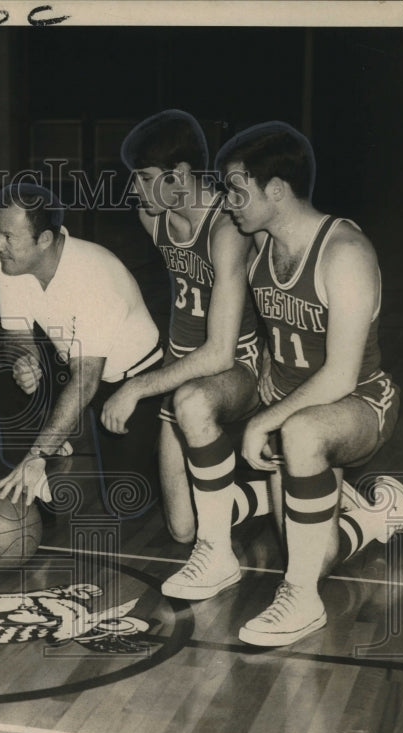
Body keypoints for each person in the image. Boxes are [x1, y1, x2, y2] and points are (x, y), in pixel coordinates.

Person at [210, 121, 403, 646]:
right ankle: (380, 516)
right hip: (296, 406)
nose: (227, 201)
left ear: (276, 190)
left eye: (235, 188)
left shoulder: (345, 253)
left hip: (359, 402)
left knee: (299, 434)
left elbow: (342, 374)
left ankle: (300, 603)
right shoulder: (257, 243)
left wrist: (264, 420)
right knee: (309, 554)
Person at [102, 110, 274, 594]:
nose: (135, 189)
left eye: (145, 178)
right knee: (181, 528)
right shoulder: (151, 217)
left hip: (234, 368)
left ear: (179, 176)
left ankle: (219, 557)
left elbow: (220, 352)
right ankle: (276, 496)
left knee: (194, 400)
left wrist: (136, 386)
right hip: (182, 371)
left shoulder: (227, 230)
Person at [0, 183, 164, 514]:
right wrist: (24, 361)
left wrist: (37, 455)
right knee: (5, 378)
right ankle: (41, 466)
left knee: (126, 502)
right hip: (72, 362)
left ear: (44, 240)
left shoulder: (93, 276)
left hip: (131, 378)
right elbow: (16, 334)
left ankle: (164, 440)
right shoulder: (10, 263)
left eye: (8, 237)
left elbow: (86, 380)